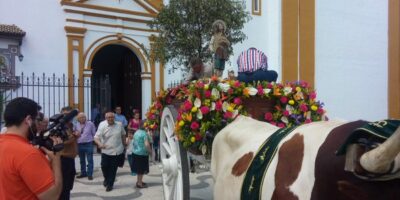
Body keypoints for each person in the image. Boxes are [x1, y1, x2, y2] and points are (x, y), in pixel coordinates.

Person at [0, 97, 62, 199]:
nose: (38, 125)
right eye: (37, 120)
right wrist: (56, 160)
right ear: (28, 120)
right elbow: (52, 196)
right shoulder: (28, 153)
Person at [94, 112, 126, 192]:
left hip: (117, 150)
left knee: (113, 168)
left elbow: (123, 134)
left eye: (112, 117)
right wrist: (100, 144)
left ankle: (110, 184)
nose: (110, 119)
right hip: (106, 150)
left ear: (114, 117)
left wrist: (124, 144)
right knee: (104, 166)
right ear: (106, 118)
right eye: (108, 117)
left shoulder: (119, 124)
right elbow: (96, 137)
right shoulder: (102, 125)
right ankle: (106, 178)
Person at [59, 106, 79, 200]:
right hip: (63, 159)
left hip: (71, 159)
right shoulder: (59, 126)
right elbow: (62, 141)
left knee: (69, 185)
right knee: (64, 187)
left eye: (70, 114)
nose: (68, 116)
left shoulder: (71, 125)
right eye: (65, 114)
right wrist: (74, 136)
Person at [74, 112, 96, 180]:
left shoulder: (90, 124)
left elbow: (94, 133)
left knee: (90, 159)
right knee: (82, 160)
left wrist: (93, 141)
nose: (82, 118)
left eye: (84, 117)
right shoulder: (76, 124)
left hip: (88, 144)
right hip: (80, 144)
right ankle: (83, 173)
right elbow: (74, 133)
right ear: (78, 119)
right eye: (81, 117)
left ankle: (90, 174)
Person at [132, 121, 152, 188]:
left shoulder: (136, 132)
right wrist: (150, 151)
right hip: (142, 154)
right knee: (141, 169)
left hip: (135, 152)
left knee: (139, 169)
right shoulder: (144, 134)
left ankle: (138, 181)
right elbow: (147, 144)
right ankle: (139, 183)